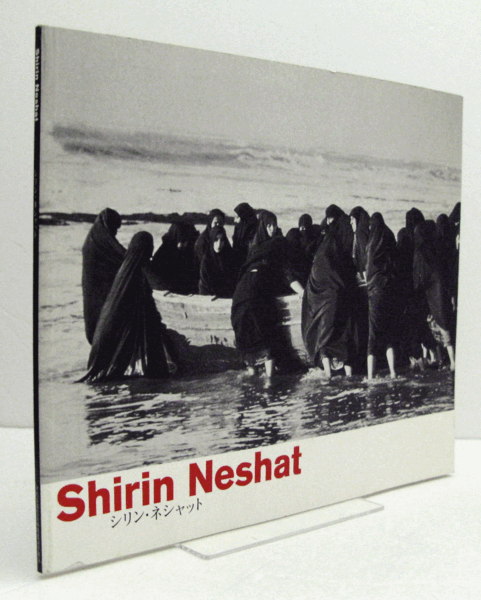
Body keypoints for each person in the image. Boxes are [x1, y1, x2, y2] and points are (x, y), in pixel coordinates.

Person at [80, 232, 177, 382]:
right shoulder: (138, 276)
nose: (152, 251)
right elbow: (150, 315)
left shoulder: (124, 273)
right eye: (150, 247)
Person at [231, 211, 303, 378]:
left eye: (274, 225)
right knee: (267, 338)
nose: (273, 228)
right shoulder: (277, 244)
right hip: (254, 294)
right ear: (264, 227)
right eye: (269, 225)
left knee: (249, 345)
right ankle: (270, 385)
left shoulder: (255, 248)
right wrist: (303, 292)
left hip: (239, 297)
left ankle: (254, 385)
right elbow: (287, 274)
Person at [301, 205, 356, 380]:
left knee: (324, 335)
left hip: (320, 293)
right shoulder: (340, 237)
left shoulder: (323, 248)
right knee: (343, 331)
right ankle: (348, 376)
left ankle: (328, 374)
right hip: (335, 290)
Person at [413, 221, 455, 370]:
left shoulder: (420, 251)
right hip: (444, 291)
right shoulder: (438, 247)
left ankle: (445, 360)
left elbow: (419, 278)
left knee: (438, 325)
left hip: (431, 294)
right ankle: (450, 360)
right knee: (446, 323)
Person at [81, 208, 126, 344]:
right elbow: (122, 257)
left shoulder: (95, 238)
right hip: (99, 291)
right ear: (108, 225)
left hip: (95, 292)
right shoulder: (101, 241)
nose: (115, 232)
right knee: (103, 324)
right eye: (114, 228)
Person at [365, 213, 398, 379]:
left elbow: (367, 273)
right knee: (389, 334)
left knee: (373, 335)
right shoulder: (388, 237)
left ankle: (370, 376)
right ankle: (393, 372)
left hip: (375, 292)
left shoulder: (371, 246)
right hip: (390, 290)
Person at [151, 221, 199, 295]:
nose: (184, 244)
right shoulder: (163, 254)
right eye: (181, 240)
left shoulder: (192, 253)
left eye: (187, 240)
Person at [199, 226, 237, 298]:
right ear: (211, 240)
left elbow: (234, 282)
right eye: (216, 240)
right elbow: (204, 286)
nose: (219, 244)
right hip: (209, 298)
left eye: (222, 240)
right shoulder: (206, 260)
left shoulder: (231, 258)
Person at [194, 209, 225, 275]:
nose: (218, 225)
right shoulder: (202, 241)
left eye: (220, 223)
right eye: (215, 223)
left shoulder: (222, 237)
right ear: (210, 222)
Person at [232, 202, 258, 269]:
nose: (235, 220)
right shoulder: (238, 231)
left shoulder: (256, 236)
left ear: (245, 218)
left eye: (237, 217)